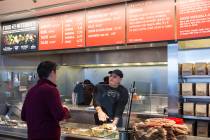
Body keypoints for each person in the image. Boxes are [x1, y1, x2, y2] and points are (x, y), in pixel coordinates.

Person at [21, 61, 70, 140]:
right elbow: (59, 115)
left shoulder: (31, 90)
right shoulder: (51, 90)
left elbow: (23, 116)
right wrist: (66, 109)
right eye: (56, 73)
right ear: (52, 73)